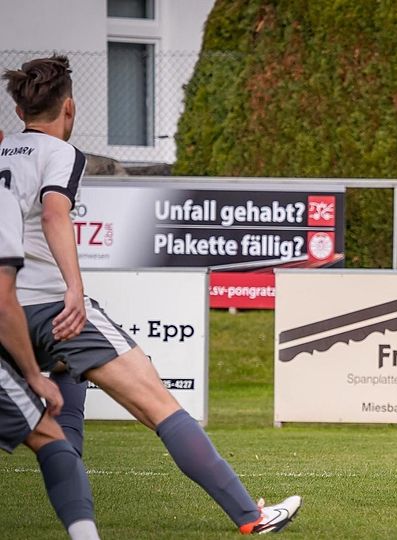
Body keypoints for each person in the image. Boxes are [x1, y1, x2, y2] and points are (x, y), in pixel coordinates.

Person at [0, 55, 301, 534]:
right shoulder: (61, 154)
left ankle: (80, 526)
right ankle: (251, 516)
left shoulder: (4, 150)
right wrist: (75, 290)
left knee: (62, 426)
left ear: (18, 112)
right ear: (70, 109)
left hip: (7, 313)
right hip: (54, 309)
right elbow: (55, 214)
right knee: (161, 408)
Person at [1, 141, 100, 539]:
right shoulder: (14, 199)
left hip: (38, 303)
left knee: (67, 367)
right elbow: (4, 300)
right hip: (38, 303)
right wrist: (31, 373)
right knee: (48, 436)